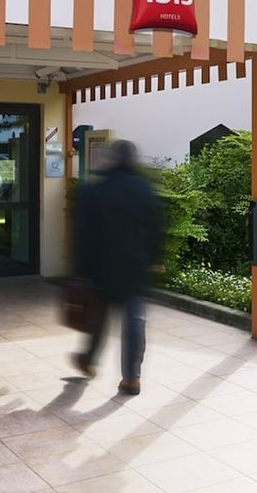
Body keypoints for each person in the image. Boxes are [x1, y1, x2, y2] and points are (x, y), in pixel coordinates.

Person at [73, 140, 163, 395]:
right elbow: (156, 228)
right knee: (134, 322)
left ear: (112, 159)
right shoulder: (144, 189)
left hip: (100, 267)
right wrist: (154, 258)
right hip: (134, 268)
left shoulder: (95, 190)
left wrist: (81, 268)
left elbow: (83, 234)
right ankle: (132, 377)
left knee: (97, 319)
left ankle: (88, 359)